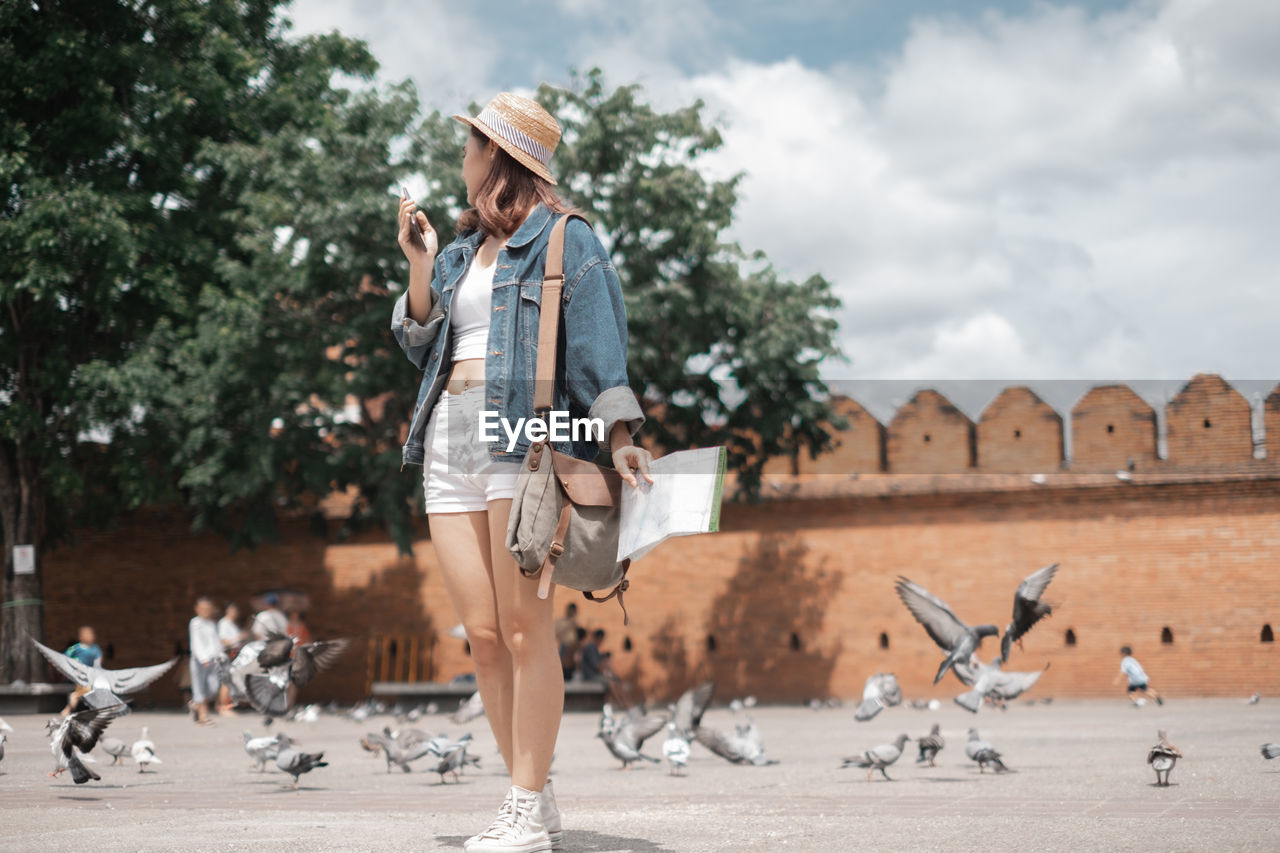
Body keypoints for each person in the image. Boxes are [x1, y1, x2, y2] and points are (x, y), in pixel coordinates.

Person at [391, 91, 655, 852]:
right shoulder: (453, 254)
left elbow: (599, 348)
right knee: (479, 632)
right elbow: (419, 341)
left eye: (471, 142)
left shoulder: (568, 241)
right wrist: (416, 265)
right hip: (447, 442)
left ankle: (522, 801)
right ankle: (530, 798)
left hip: (522, 440)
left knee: (521, 625)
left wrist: (622, 433)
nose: (461, 154)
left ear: (498, 156)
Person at [187, 597, 224, 726]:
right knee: (199, 687)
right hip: (200, 660)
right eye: (202, 608)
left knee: (213, 687)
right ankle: (203, 716)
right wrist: (203, 658)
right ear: (197, 609)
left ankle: (195, 705)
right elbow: (196, 642)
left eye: (208, 608)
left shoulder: (212, 624)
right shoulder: (195, 623)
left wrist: (220, 655)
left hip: (213, 660)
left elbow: (215, 642)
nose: (205, 611)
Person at [59, 626, 102, 716]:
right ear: (81, 637)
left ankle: (68, 709)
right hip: (79, 676)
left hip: (90, 675)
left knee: (82, 693)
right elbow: (64, 658)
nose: (90, 636)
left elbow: (98, 661)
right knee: (77, 694)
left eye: (91, 634)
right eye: (87, 634)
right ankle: (68, 709)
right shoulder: (76, 648)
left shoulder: (95, 649)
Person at [216, 603, 247, 714]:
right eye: (232, 610)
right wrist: (240, 637)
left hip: (234, 655)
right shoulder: (224, 623)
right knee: (226, 681)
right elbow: (224, 641)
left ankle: (226, 706)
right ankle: (223, 707)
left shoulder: (232, 624)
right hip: (227, 654)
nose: (235, 613)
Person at [555, 603, 581, 681]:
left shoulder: (576, 622)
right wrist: (569, 624)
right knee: (563, 665)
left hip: (573, 647)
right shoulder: (561, 621)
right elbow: (557, 633)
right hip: (564, 646)